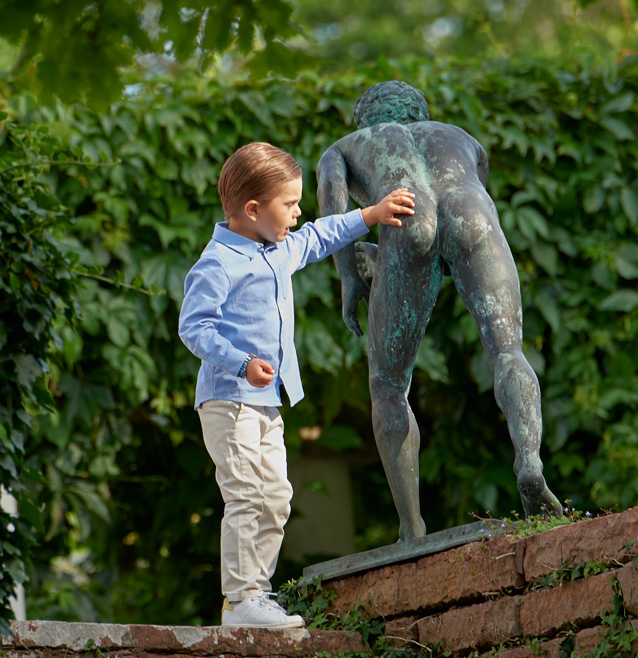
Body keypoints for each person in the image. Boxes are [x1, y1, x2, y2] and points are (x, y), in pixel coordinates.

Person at [178, 142, 414, 628]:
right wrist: (240, 362)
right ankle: (240, 599)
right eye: (289, 204)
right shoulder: (219, 262)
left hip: (266, 404)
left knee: (278, 496)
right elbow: (194, 327)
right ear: (252, 209)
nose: (297, 211)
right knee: (246, 495)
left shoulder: (279, 248)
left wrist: (370, 213)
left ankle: (255, 597)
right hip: (228, 401)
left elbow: (321, 235)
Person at [316, 81, 562, 541]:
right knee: (508, 350)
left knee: (388, 386)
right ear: (420, 112)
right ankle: (529, 461)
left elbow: (334, 206)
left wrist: (349, 275)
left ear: (367, 119)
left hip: (405, 215)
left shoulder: (345, 147)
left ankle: (412, 526)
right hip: (471, 208)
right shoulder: (462, 137)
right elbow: (455, 239)